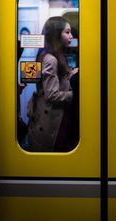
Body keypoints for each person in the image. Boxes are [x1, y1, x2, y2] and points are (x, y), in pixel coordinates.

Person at [25, 16, 78, 152]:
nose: (71, 36)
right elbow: (52, 95)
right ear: (56, 34)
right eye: (67, 32)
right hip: (53, 119)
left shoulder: (49, 54)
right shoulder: (51, 59)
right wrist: (76, 95)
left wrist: (69, 75)